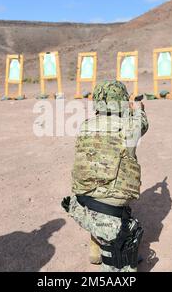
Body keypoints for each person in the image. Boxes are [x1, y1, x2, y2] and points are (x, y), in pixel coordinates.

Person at [62, 80, 149, 272]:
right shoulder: (129, 126)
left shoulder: (85, 126)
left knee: (99, 200)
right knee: (116, 206)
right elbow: (142, 122)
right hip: (110, 208)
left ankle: (96, 249)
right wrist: (138, 108)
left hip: (81, 204)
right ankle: (113, 249)